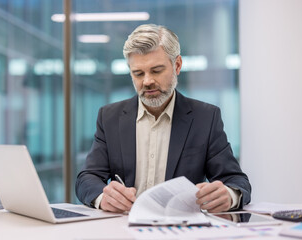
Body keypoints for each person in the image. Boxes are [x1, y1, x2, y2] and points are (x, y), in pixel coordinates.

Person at [75, 24, 251, 213]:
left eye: (156, 70)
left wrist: (229, 195)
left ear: (177, 65)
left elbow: (237, 181)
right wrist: (103, 197)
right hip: (124, 227)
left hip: (180, 227)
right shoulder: (109, 117)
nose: (147, 81)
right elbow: (87, 178)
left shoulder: (205, 118)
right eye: (138, 73)